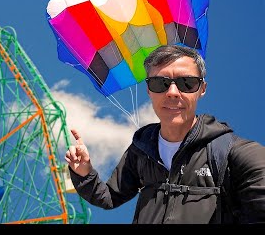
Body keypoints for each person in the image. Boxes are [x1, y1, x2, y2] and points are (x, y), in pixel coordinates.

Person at [65, 44, 265, 223]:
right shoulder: (142, 149)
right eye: (160, 83)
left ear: (202, 89)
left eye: (187, 82)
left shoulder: (236, 153)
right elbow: (109, 197)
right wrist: (84, 172)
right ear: (148, 90)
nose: (172, 92)